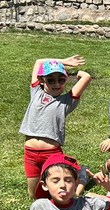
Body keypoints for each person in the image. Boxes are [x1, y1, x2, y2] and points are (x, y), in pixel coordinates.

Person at [18, 56, 92, 199]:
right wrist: (63, 61)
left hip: (51, 154)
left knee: (64, 195)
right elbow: (38, 61)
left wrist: (79, 73)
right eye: (51, 80)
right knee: (35, 196)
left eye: (61, 80)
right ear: (42, 80)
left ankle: (82, 177)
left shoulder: (66, 101)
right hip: (30, 154)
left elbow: (87, 77)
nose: (56, 83)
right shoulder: (36, 93)